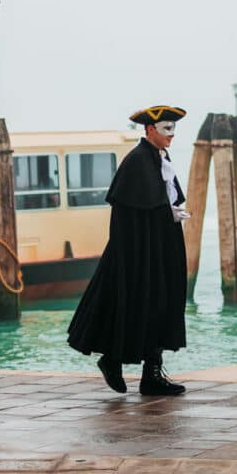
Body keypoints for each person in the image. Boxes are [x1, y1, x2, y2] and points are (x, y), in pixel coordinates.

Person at [67, 104, 189, 396]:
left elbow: (160, 199)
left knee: (160, 305)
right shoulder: (136, 161)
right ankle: (113, 360)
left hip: (158, 249)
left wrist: (170, 214)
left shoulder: (159, 157)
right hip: (139, 253)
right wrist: (164, 215)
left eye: (174, 129)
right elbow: (133, 211)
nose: (171, 135)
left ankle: (151, 376)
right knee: (136, 304)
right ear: (149, 130)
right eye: (166, 129)